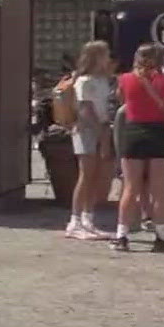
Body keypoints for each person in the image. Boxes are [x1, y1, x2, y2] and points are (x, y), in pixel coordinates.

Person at [115, 42, 164, 253]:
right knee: (158, 191)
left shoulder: (125, 79)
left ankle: (121, 236)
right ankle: (162, 237)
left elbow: (121, 101)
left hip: (133, 132)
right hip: (158, 134)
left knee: (130, 188)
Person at [66, 42, 117, 239]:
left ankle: (88, 218)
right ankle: (75, 220)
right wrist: (101, 132)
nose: (109, 58)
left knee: (96, 176)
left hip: (102, 128)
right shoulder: (84, 81)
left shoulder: (103, 80)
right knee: (85, 175)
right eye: (105, 54)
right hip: (87, 130)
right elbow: (85, 110)